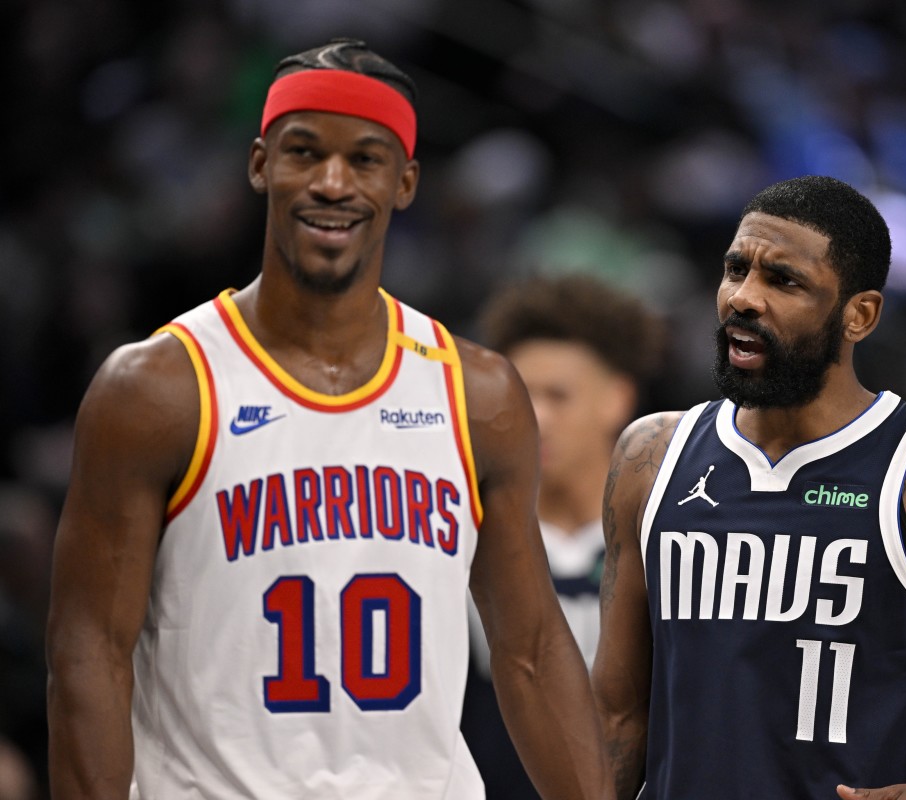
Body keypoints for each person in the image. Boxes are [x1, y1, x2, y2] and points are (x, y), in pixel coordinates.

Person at [44, 38, 613, 800]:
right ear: (259, 164)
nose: (332, 183)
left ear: (405, 182)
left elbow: (533, 650)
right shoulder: (158, 388)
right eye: (303, 153)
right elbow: (88, 655)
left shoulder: (478, 394)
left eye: (366, 160)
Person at [591, 175, 906, 799]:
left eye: (784, 281)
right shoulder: (651, 456)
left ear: (860, 315)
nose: (743, 298)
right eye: (736, 269)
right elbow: (616, 717)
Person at [461, 274, 664, 799]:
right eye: (523, 395)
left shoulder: (667, 540)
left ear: (616, 399)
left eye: (558, 396)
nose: (537, 417)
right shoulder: (462, 535)